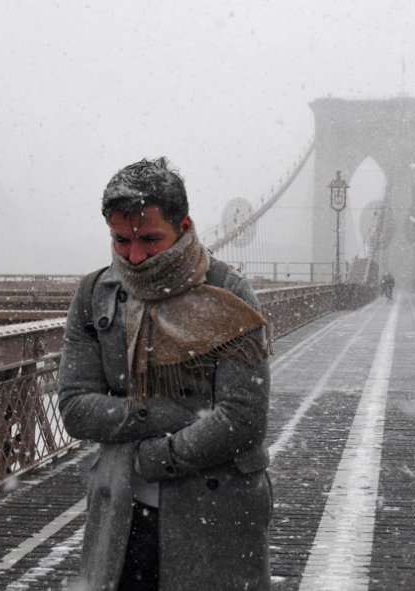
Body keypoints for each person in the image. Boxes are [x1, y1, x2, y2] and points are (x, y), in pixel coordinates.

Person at [58, 157, 272, 590]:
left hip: (214, 511)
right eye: (121, 240)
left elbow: (243, 419)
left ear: (184, 224)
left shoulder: (229, 294)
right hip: (121, 510)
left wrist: (158, 457)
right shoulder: (93, 295)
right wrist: (155, 415)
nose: (134, 257)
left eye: (150, 239)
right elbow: (75, 407)